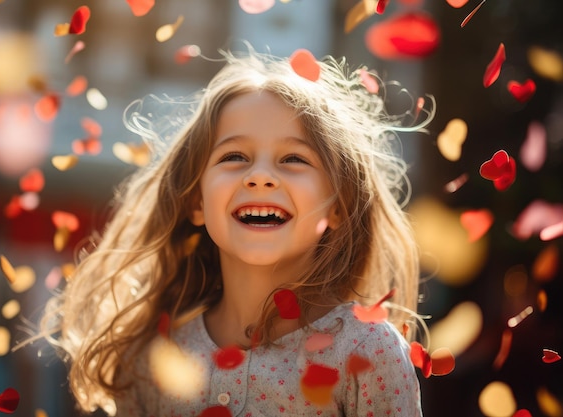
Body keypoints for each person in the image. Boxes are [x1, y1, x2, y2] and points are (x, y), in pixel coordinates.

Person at [39, 48, 433, 416]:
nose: (259, 176)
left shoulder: (367, 351)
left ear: (339, 207)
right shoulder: (154, 356)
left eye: (293, 158)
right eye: (234, 157)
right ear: (196, 202)